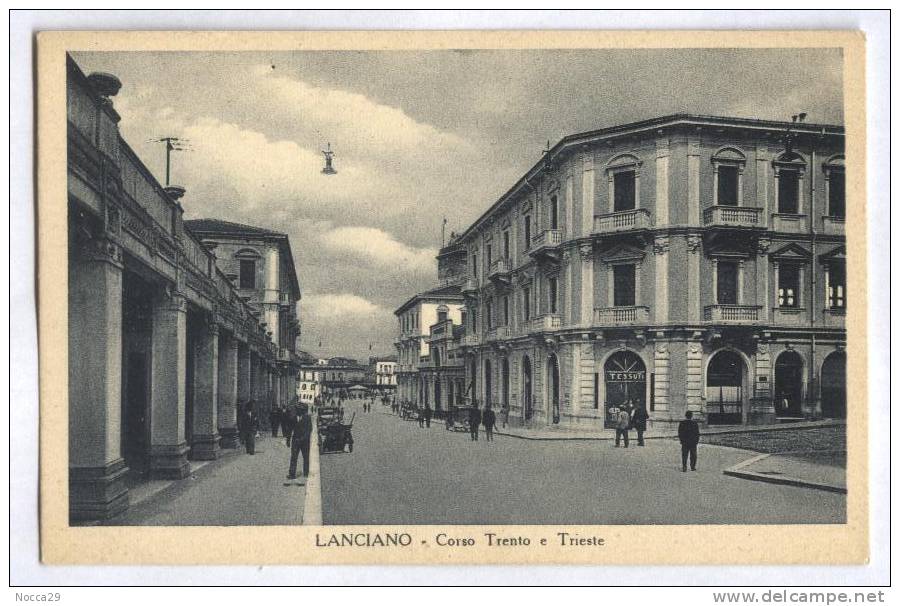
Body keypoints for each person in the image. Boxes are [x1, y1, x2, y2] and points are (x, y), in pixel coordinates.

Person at [287, 404, 313, 480]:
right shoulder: (293, 418)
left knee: (306, 457)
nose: (296, 411)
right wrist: (288, 440)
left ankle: (306, 473)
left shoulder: (308, 418)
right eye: (296, 409)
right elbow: (290, 430)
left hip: (305, 441)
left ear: (302, 410)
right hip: (295, 440)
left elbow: (309, 430)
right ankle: (292, 474)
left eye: (298, 409)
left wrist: (302, 439)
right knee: (293, 457)